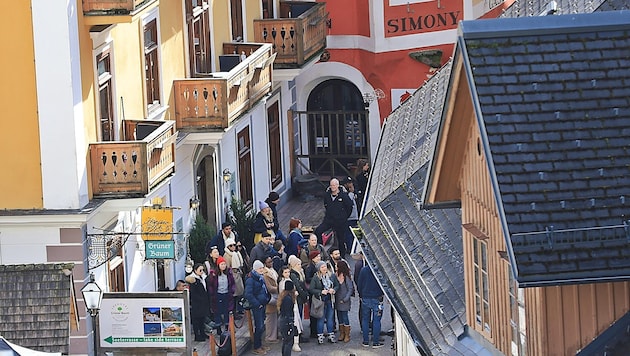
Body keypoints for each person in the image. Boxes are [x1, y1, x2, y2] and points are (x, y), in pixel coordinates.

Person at [313, 178, 353, 256]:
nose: (333, 187)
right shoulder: (327, 195)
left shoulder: (344, 196)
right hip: (329, 220)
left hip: (340, 222)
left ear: (338, 185)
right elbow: (326, 205)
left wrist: (344, 217)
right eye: (331, 185)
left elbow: (349, 207)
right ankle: (321, 250)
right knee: (318, 231)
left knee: (341, 240)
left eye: (334, 185)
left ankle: (342, 256)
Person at [309, 260, 340, 344]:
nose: (324, 268)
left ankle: (331, 335)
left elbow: (337, 285)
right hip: (321, 301)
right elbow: (311, 289)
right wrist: (320, 292)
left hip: (330, 299)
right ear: (319, 268)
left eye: (325, 266)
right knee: (321, 319)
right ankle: (320, 336)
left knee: (330, 318)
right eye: (322, 267)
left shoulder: (331, 275)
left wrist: (333, 290)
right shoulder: (316, 277)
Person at [245, 260, 271, 355]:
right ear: (255, 269)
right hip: (257, 306)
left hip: (262, 303)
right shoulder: (251, 279)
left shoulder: (260, 277)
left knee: (261, 326)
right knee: (259, 326)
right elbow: (248, 294)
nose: (262, 269)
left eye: (262, 268)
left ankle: (260, 344)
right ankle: (257, 346)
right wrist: (257, 304)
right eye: (260, 268)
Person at [358, 264, 385, 348]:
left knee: (365, 319)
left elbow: (359, 284)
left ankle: (365, 341)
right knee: (377, 320)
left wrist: (361, 295)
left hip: (365, 297)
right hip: (377, 298)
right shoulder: (380, 270)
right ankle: (376, 342)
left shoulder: (363, 270)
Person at [207, 256, 236, 333]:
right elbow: (210, 285)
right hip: (218, 295)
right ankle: (218, 327)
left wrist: (232, 291)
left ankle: (227, 326)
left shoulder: (229, 273)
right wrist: (212, 293)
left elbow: (232, 283)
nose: (223, 266)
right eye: (221, 264)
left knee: (227, 310)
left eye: (224, 264)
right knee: (217, 311)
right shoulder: (214, 275)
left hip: (227, 294)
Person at [279, 265, 303, 352]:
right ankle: (294, 344)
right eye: (285, 272)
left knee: (287, 339)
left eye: (288, 272)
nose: (287, 274)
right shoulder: (282, 284)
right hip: (288, 315)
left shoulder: (289, 281)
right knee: (289, 337)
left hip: (291, 309)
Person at [185, 263, 210, 341]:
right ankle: (197, 335)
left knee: (202, 318)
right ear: (195, 270)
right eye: (200, 270)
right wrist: (201, 299)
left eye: (203, 270)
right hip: (197, 303)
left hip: (203, 301)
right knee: (196, 319)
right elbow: (193, 293)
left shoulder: (203, 277)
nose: (202, 271)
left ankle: (202, 333)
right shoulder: (193, 280)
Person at [288, 255, 309, 344]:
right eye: (298, 264)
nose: (300, 266)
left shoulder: (299, 273)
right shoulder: (293, 274)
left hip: (301, 298)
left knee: (299, 318)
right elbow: (298, 287)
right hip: (298, 299)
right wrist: (305, 296)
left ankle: (299, 334)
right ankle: (297, 336)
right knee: (297, 318)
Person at [223, 237, 245, 318]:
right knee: (233, 296)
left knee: (238, 294)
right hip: (232, 276)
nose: (233, 247)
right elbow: (227, 266)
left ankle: (237, 310)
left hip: (237, 274)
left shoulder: (235, 254)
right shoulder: (227, 255)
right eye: (231, 245)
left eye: (234, 245)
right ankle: (233, 312)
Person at [334, 260, 354, 343]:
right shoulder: (335, 275)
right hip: (337, 300)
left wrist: (345, 299)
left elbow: (350, 289)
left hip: (344, 300)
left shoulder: (346, 277)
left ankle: (347, 334)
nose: (335, 267)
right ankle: (341, 333)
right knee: (339, 317)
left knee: (345, 316)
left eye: (337, 266)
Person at [263, 256, 280, 344]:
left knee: (275, 317)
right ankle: (270, 337)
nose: (271, 263)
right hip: (270, 298)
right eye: (269, 262)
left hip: (275, 297)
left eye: (271, 261)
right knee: (270, 318)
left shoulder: (273, 271)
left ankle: (274, 335)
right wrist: (279, 288)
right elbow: (269, 287)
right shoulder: (265, 274)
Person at [278, 280, 297, 356]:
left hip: (283, 320)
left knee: (285, 341)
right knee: (289, 342)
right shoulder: (288, 299)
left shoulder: (283, 296)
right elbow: (288, 311)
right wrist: (290, 324)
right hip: (287, 321)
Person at [341, 176, 359, 257]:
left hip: (354, 216)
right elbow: (348, 201)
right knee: (348, 233)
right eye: (349, 183)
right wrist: (351, 192)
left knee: (352, 232)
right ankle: (350, 248)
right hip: (349, 217)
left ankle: (353, 247)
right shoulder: (345, 193)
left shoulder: (353, 192)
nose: (351, 185)